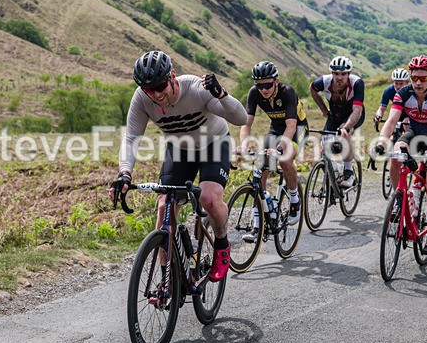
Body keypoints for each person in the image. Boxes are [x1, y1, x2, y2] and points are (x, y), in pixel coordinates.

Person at [110, 50, 247, 282]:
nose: (156, 94)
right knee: (164, 205)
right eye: (149, 89)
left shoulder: (196, 89)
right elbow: (132, 138)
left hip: (214, 144)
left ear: (172, 76)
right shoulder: (142, 98)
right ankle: (168, 278)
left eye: (160, 86)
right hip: (180, 149)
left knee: (209, 198)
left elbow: (240, 119)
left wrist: (222, 95)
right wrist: (125, 173)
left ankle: (222, 244)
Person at [374, 55, 427, 255]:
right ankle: (399, 200)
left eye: (423, 78)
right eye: (414, 78)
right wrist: (381, 142)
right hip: (414, 132)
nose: (417, 83)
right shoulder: (403, 93)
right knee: (395, 153)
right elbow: (391, 121)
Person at [238, 61, 308, 226]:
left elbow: (291, 126)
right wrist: (244, 145)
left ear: (276, 81)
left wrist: (280, 148)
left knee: (284, 159)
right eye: (259, 86)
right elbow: (246, 124)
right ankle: (260, 217)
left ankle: (294, 199)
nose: (264, 89)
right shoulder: (254, 93)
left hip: (297, 128)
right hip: (276, 128)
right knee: (260, 168)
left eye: (268, 85)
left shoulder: (287, 92)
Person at [310, 56, 365, 187]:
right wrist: (324, 110)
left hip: (353, 115)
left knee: (344, 134)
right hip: (334, 115)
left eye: (343, 74)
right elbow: (312, 89)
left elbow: (357, 110)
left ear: (349, 73)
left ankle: (348, 171)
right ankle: (330, 180)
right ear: (332, 73)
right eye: (336, 74)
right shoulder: (324, 82)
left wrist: (346, 127)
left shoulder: (357, 83)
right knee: (323, 146)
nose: (339, 77)